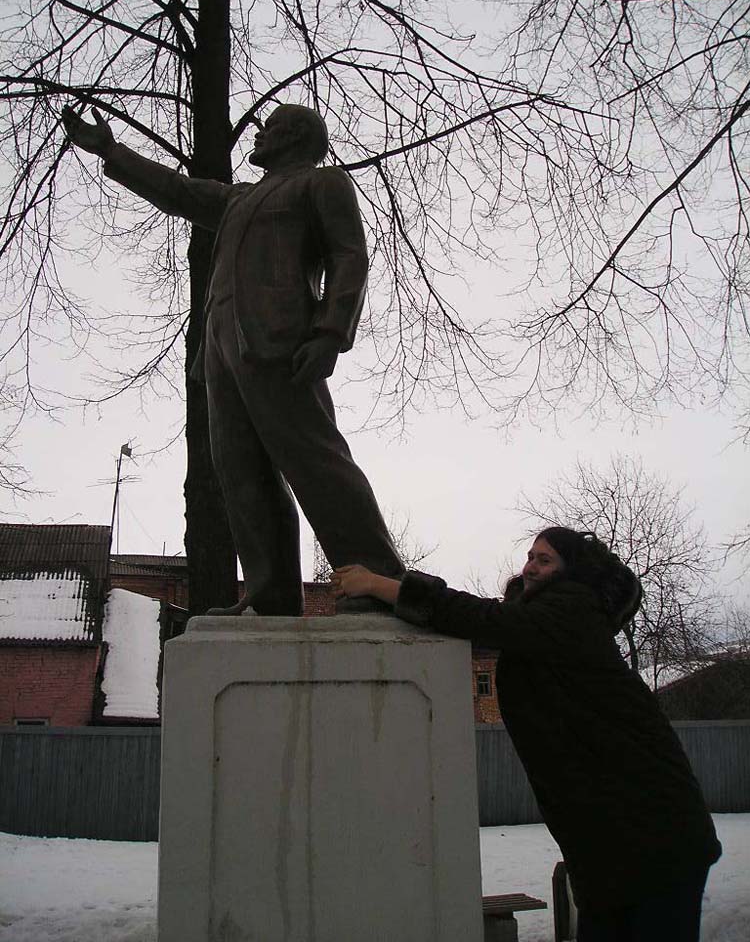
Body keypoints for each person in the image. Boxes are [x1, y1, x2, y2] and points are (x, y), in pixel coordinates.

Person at [61, 102, 403, 616]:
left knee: (316, 460)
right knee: (241, 474)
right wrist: (111, 150)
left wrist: (331, 332)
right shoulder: (238, 198)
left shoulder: (321, 183)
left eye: (270, 127)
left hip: (282, 343)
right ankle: (271, 598)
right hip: (221, 349)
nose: (258, 134)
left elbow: (349, 256)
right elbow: (178, 191)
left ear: (295, 136)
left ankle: (378, 581)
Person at [332, 527, 721, 941]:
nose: (531, 567)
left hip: (657, 838)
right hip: (610, 847)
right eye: (530, 556)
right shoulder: (544, 621)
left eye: (545, 559)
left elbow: (480, 618)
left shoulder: (572, 611)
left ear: (572, 571)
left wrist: (379, 585)